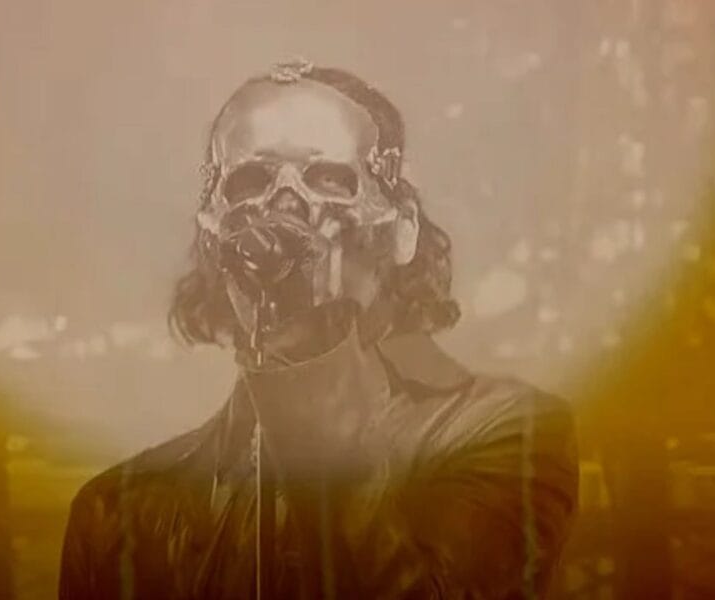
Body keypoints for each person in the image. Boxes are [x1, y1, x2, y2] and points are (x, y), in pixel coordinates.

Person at [59, 59, 578, 599]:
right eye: (250, 182)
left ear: (402, 230)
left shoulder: (505, 433)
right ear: (213, 237)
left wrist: (312, 351)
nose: (286, 213)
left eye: (329, 179)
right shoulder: (115, 515)